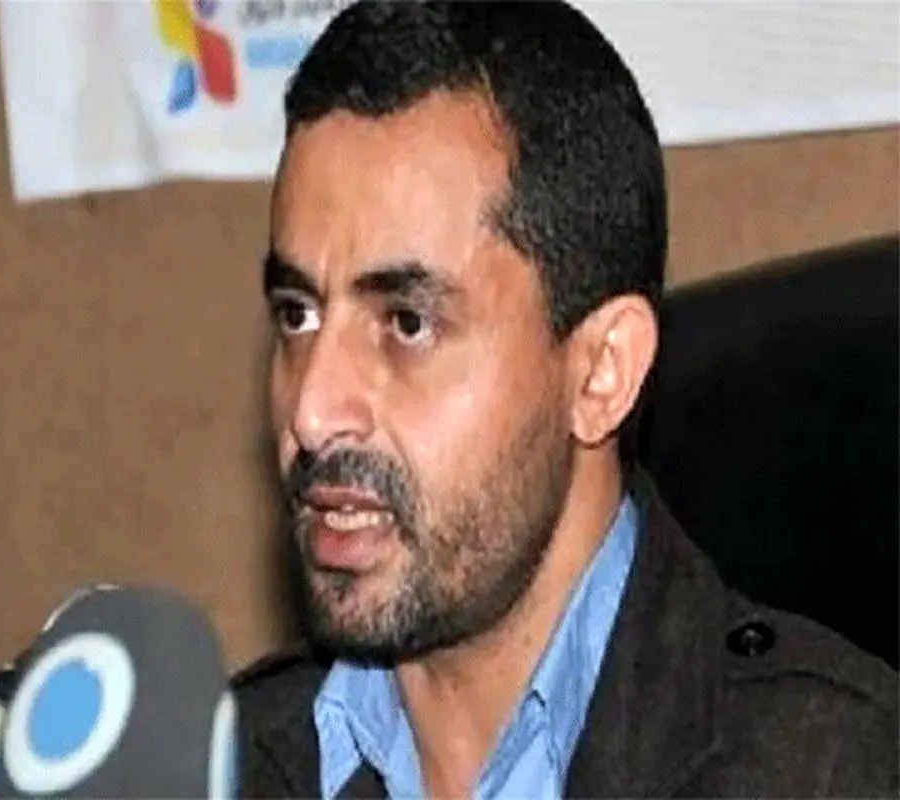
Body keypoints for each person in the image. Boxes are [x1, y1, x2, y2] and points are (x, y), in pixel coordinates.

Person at [232, 1, 899, 798]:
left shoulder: (840, 770)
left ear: (601, 373)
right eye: (297, 315)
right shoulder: (211, 766)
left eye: (407, 323)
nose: (312, 410)